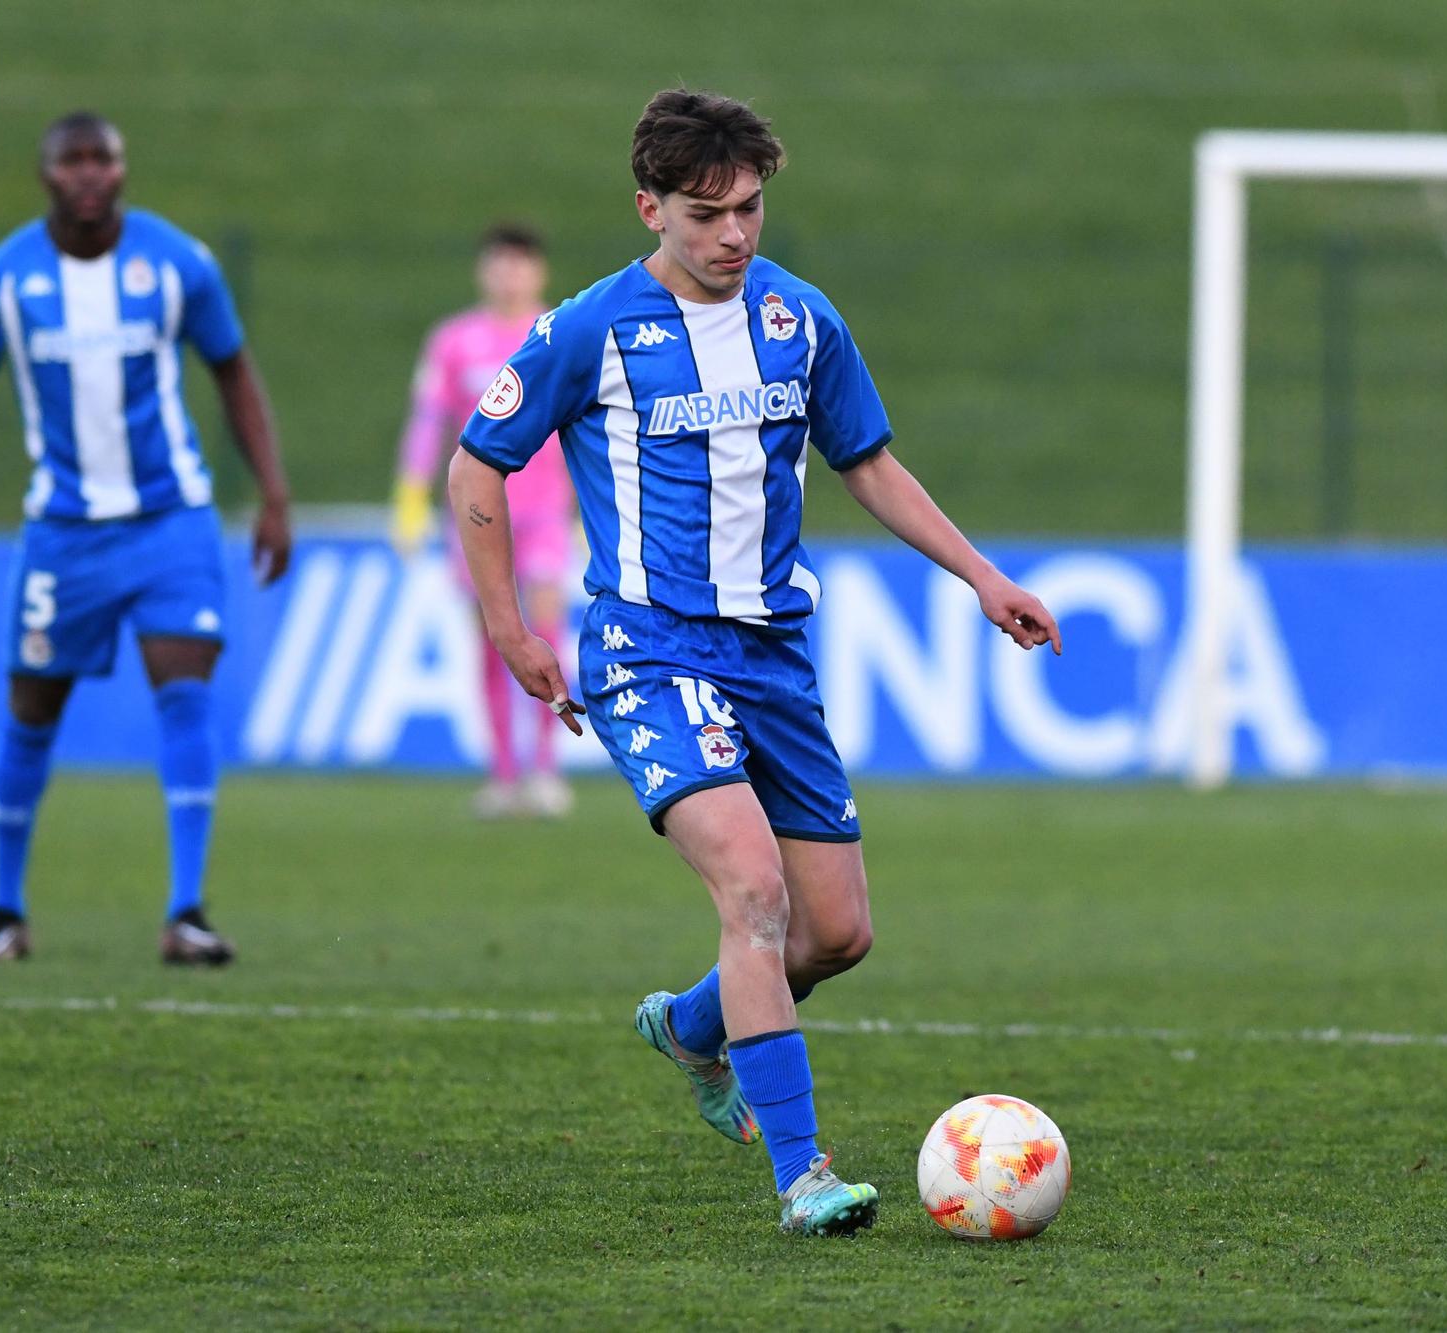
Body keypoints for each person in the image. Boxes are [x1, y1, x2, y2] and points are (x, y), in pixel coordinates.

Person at [448, 89, 1061, 1235]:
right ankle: (802, 1175)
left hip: (772, 656)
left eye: (749, 209)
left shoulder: (798, 318)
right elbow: (475, 468)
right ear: (650, 208)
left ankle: (690, 1027)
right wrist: (509, 631)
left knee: (836, 933)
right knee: (754, 891)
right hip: (647, 648)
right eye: (706, 213)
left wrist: (981, 576)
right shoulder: (588, 329)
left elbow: (865, 461)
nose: (734, 233)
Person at [0, 111, 292, 966]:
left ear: (121, 171)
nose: (87, 174)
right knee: (32, 711)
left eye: (102, 159)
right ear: (45, 174)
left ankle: (187, 910)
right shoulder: (0, 280)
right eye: (71, 160)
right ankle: (6, 910)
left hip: (170, 520)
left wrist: (273, 494)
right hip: (63, 533)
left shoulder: (179, 262)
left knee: (185, 693)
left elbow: (233, 370)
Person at [392, 225, 577, 818]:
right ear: (483, 271)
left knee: (547, 629)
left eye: (520, 265)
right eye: (499, 264)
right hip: (475, 516)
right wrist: (411, 496)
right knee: (492, 637)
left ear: (538, 272)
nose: (509, 275)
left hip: (545, 512)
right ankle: (502, 773)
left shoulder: (560, 332)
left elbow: (587, 425)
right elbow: (428, 421)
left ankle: (546, 770)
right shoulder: (454, 341)